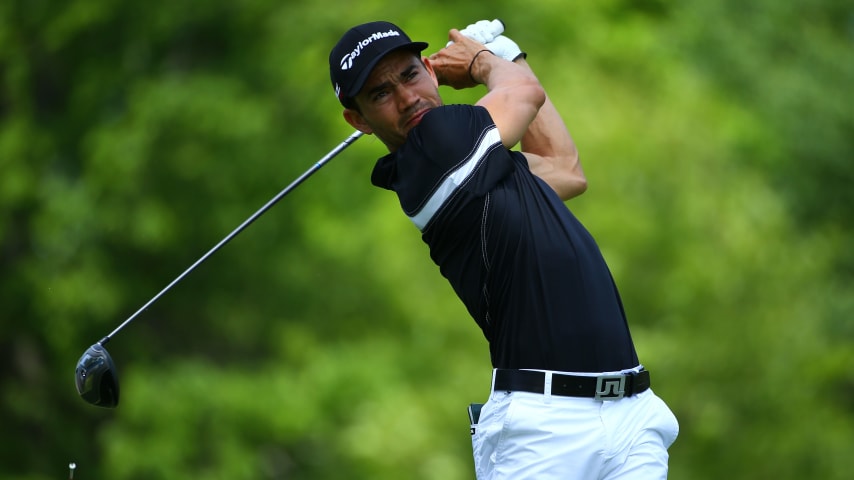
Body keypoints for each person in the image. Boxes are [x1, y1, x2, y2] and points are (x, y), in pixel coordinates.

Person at [328, 20, 679, 479]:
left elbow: (564, 167)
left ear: (431, 72)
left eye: (410, 75)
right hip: (543, 429)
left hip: (633, 412)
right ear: (358, 121)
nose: (407, 98)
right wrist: (482, 61)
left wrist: (506, 55)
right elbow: (524, 95)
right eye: (379, 94)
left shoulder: (477, 161)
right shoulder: (433, 150)